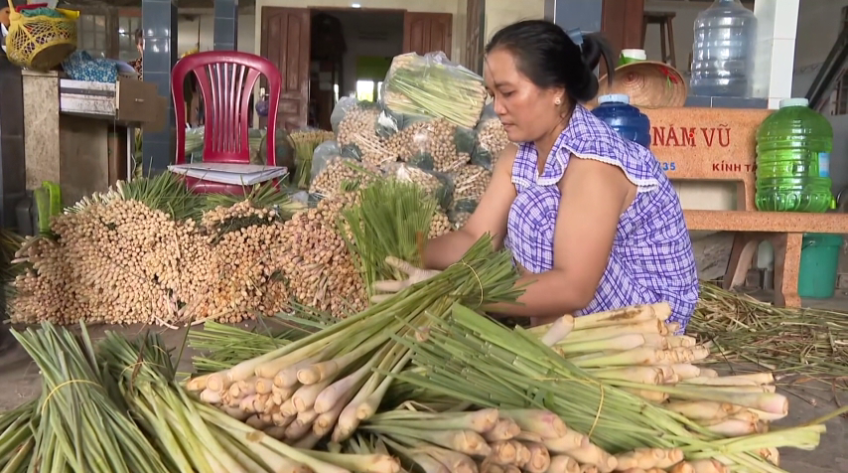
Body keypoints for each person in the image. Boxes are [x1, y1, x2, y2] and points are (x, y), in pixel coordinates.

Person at [373, 20, 699, 330]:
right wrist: (401, 250)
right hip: (599, 293)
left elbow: (574, 287)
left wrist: (454, 290)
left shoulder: (593, 161)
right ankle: (548, 334)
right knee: (533, 208)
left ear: (556, 90)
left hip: (653, 315)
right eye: (493, 95)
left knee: (536, 209)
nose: (497, 108)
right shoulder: (521, 151)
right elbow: (476, 240)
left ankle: (549, 342)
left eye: (508, 93)